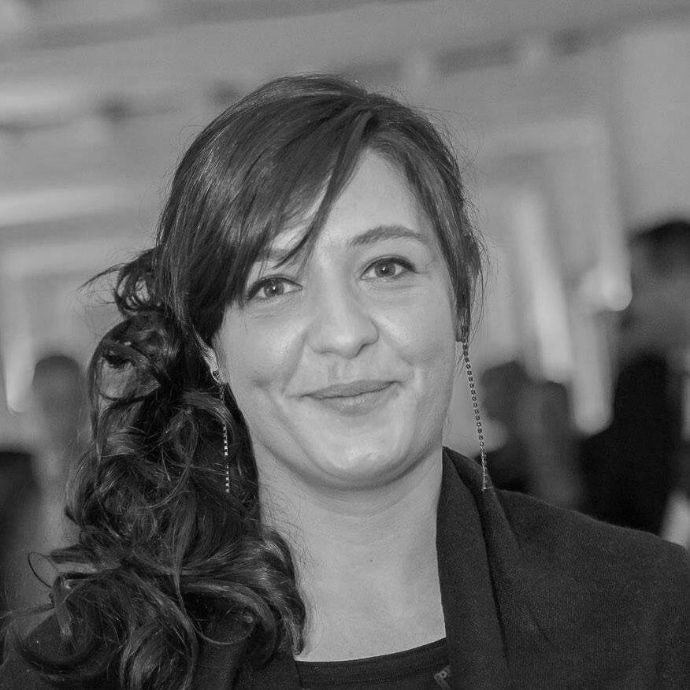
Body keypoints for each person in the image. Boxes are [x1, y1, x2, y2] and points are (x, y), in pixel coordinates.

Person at [0, 75, 687, 690]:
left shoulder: (647, 614)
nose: (342, 331)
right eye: (273, 285)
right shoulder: (95, 665)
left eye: (386, 268)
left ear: (460, 296)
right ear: (212, 348)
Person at [581, 219, 690, 539]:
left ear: (681, 280)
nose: (632, 307)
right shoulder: (639, 384)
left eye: (637, 286)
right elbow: (618, 505)